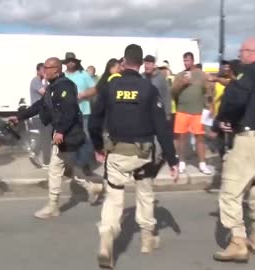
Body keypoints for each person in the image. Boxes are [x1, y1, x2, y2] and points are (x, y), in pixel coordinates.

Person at [89, 44, 179, 269]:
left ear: (123, 61)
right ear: (140, 63)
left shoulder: (110, 87)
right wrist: (172, 159)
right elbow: (162, 127)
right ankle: (147, 240)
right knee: (145, 194)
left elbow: (94, 121)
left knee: (113, 198)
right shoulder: (148, 89)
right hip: (142, 154)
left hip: (117, 152)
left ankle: (107, 238)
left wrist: (99, 146)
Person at [9, 57, 103, 219]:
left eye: (48, 67)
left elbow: (69, 110)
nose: (44, 70)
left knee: (55, 169)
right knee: (67, 166)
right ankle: (92, 186)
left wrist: (60, 131)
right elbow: (39, 106)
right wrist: (20, 117)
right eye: (44, 67)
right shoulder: (52, 87)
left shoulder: (65, 86)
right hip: (62, 133)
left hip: (67, 134)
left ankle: (53, 206)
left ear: (57, 70)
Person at [213, 37, 255, 263]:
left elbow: (233, 101)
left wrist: (223, 120)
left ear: (251, 53)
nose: (240, 55)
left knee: (230, 192)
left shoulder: (247, 74)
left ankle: (238, 242)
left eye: (242, 51)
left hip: (246, 139)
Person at [171, 52, 213, 174]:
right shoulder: (179, 75)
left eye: (188, 60)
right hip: (182, 111)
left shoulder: (201, 75)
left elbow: (209, 91)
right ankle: (182, 162)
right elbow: (173, 92)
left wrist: (210, 106)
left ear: (193, 60)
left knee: (200, 138)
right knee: (181, 138)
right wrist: (181, 84)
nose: (186, 63)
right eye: (184, 61)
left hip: (198, 112)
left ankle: (202, 163)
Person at [62, 52, 96, 175]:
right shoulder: (62, 76)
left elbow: (94, 89)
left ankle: (84, 164)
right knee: (68, 141)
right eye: (68, 60)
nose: (70, 62)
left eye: (72, 60)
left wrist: (83, 94)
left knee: (85, 139)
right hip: (66, 114)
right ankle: (70, 165)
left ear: (76, 61)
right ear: (65, 63)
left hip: (83, 112)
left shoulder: (84, 74)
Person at [29, 63, 52, 168]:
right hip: (38, 115)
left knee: (45, 137)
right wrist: (47, 79)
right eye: (43, 70)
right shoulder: (35, 81)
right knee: (46, 138)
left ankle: (34, 153)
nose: (45, 72)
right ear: (38, 71)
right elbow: (45, 93)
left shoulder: (39, 82)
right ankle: (46, 162)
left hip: (42, 115)